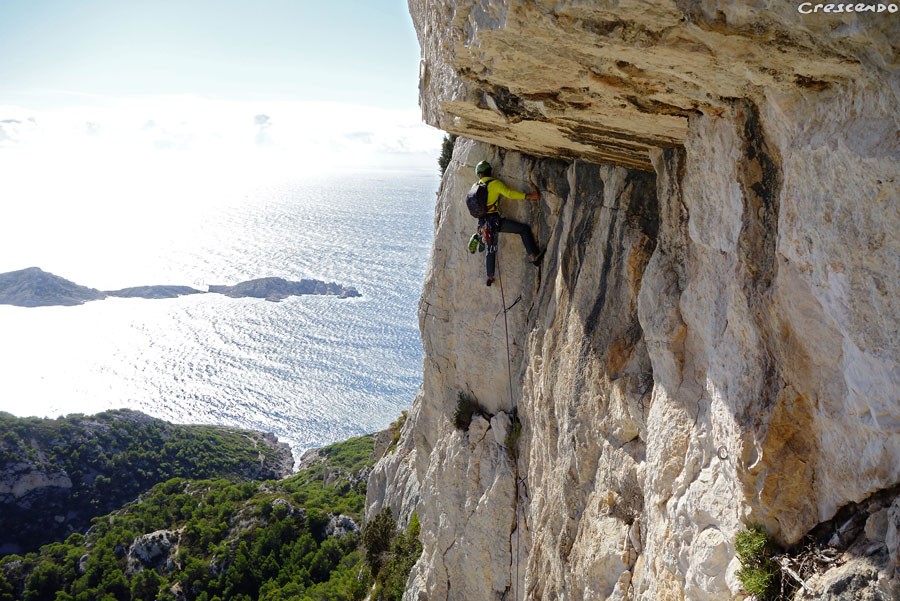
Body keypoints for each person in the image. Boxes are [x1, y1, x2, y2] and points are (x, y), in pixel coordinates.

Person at [473, 160, 543, 286]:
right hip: (495, 222)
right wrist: (529, 196)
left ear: (480, 174)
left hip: (483, 224)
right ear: (490, 171)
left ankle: (489, 276)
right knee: (524, 229)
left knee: (491, 248)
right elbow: (509, 194)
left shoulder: (475, 186)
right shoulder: (494, 183)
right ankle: (533, 256)